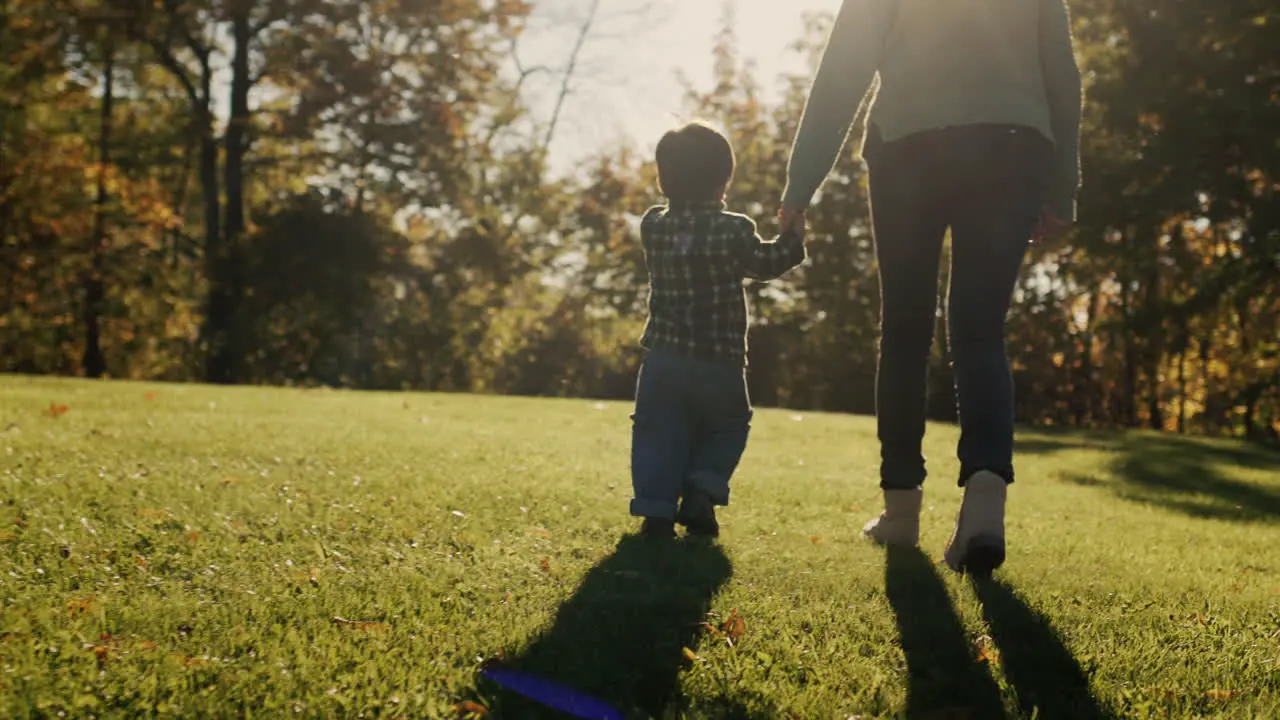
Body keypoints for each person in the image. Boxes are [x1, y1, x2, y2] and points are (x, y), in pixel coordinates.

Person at [778, 0, 1083, 574]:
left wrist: (800, 185)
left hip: (909, 146)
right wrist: (1061, 187)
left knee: (906, 330)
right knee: (979, 331)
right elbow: (1062, 76)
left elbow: (844, 67)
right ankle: (986, 502)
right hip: (1014, 148)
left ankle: (901, 510)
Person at [631, 121, 808, 539]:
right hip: (720, 363)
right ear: (722, 185)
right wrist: (792, 237)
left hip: (663, 362)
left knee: (658, 432)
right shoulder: (734, 229)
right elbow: (765, 264)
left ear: (663, 180)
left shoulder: (653, 226)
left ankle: (656, 514)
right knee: (727, 425)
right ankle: (701, 491)